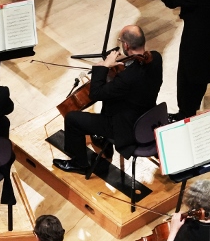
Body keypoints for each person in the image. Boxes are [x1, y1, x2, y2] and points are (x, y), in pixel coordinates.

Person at [53, 25, 163, 173]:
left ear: (126, 45)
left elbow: (96, 94)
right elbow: (136, 78)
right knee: (111, 100)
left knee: (72, 119)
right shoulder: (155, 58)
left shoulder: (127, 78)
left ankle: (80, 164)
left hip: (126, 128)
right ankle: (103, 140)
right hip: (147, 116)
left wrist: (103, 66)